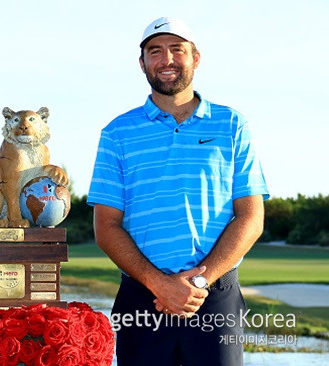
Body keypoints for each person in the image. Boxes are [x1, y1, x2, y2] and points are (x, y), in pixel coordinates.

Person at [88, 17, 269, 365]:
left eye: (177, 49)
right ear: (142, 63)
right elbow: (106, 226)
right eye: (155, 51)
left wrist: (198, 281)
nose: (166, 59)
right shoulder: (117, 133)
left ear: (196, 58)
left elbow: (251, 215)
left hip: (214, 296)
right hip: (142, 298)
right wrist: (160, 284)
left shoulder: (232, 125)